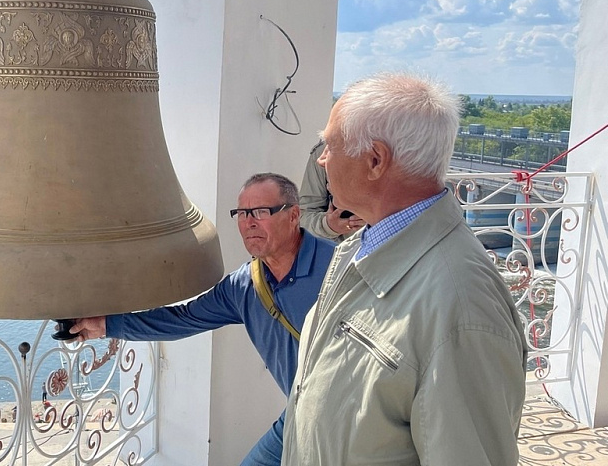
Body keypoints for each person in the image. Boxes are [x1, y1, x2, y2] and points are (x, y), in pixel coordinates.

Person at [281, 73, 528, 466]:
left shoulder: (462, 309)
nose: (323, 159)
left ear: (375, 160)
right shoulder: (358, 248)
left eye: (329, 146)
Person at [71, 173, 336, 466]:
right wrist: (107, 325)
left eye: (261, 212)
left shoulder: (338, 269)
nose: (249, 223)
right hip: (299, 414)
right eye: (242, 213)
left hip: (350, 414)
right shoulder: (244, 286)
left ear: (293, 215)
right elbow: (183, 318)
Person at [298, 139, 365, 241]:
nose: (321, 160)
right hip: (342, 252)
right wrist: (328, 226)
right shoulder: (323, 152)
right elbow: (302, 218)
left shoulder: (395, 149)